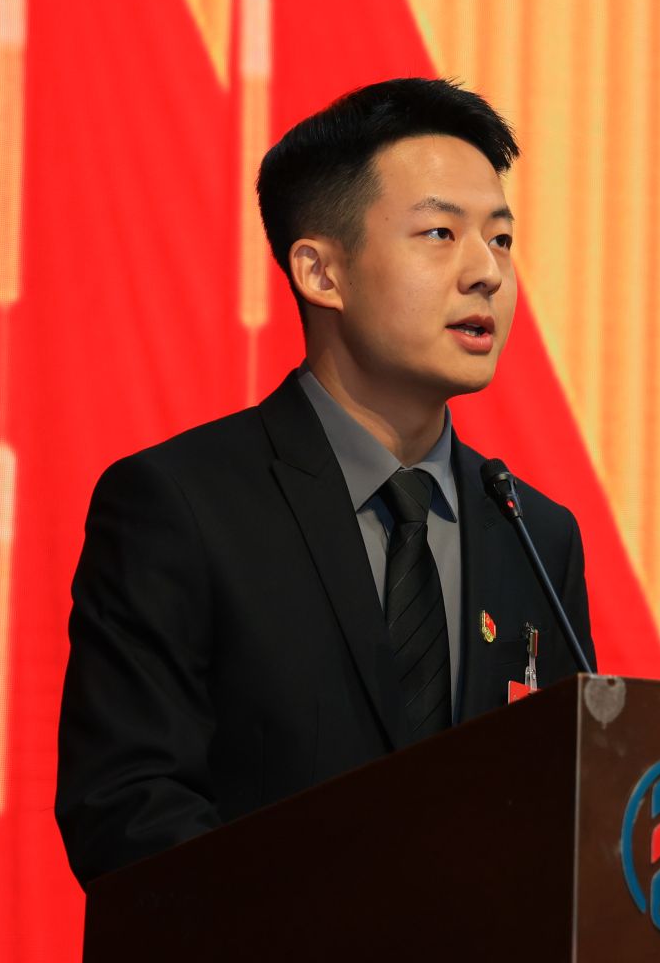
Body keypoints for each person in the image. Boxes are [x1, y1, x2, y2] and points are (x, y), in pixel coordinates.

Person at [55, 77, 595, 887]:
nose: (486, 271)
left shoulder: (534, 534)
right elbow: (129, 810)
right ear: (320, 271)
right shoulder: (181, 506)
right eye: (441, 233)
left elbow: (572, 814)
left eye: (502, 238)